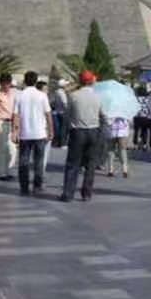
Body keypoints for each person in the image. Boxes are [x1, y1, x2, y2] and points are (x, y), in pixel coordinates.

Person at [59, 70, 106, 202]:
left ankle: (68, 194)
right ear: (92, 81)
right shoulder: (98, 96)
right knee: (90, 164)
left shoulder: (73, 96)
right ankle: (86, 194)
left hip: (78, 132)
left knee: (73, 164)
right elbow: (103, 115)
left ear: (80, 81)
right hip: (94, 131)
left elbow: (68, 115)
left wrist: (64, 135)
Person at [13, 72, 53, 196]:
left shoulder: (19, 96)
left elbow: (15, 115)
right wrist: (51, 131)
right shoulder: (42, 95)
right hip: (39, 133)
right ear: (36, 81)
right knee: (39, 161)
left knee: (23, 162)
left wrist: (14, 132)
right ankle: (37, 186)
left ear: (25, 81)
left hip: (25, 134)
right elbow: (48, 114)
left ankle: (24, 188)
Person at [0, 73, 16, 180]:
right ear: (1, 84)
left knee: (12, 149)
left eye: (8, 83)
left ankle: (9, 170)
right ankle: (0, 173)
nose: (6, 86)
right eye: (4, 84)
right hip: (1, 121)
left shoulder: (12, 94)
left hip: (10, 122)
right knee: (2, 149)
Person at [52, 79, 69, 147]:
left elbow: (53, 102)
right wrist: (68, 111)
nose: (67, 86)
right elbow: (65, 103)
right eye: (66, 85)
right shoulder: (62, 93)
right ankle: (63, 143)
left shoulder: (56, 92)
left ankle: (57, 143)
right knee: (63, 129)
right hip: (63, 112)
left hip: (57, 111)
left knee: (59, 129)